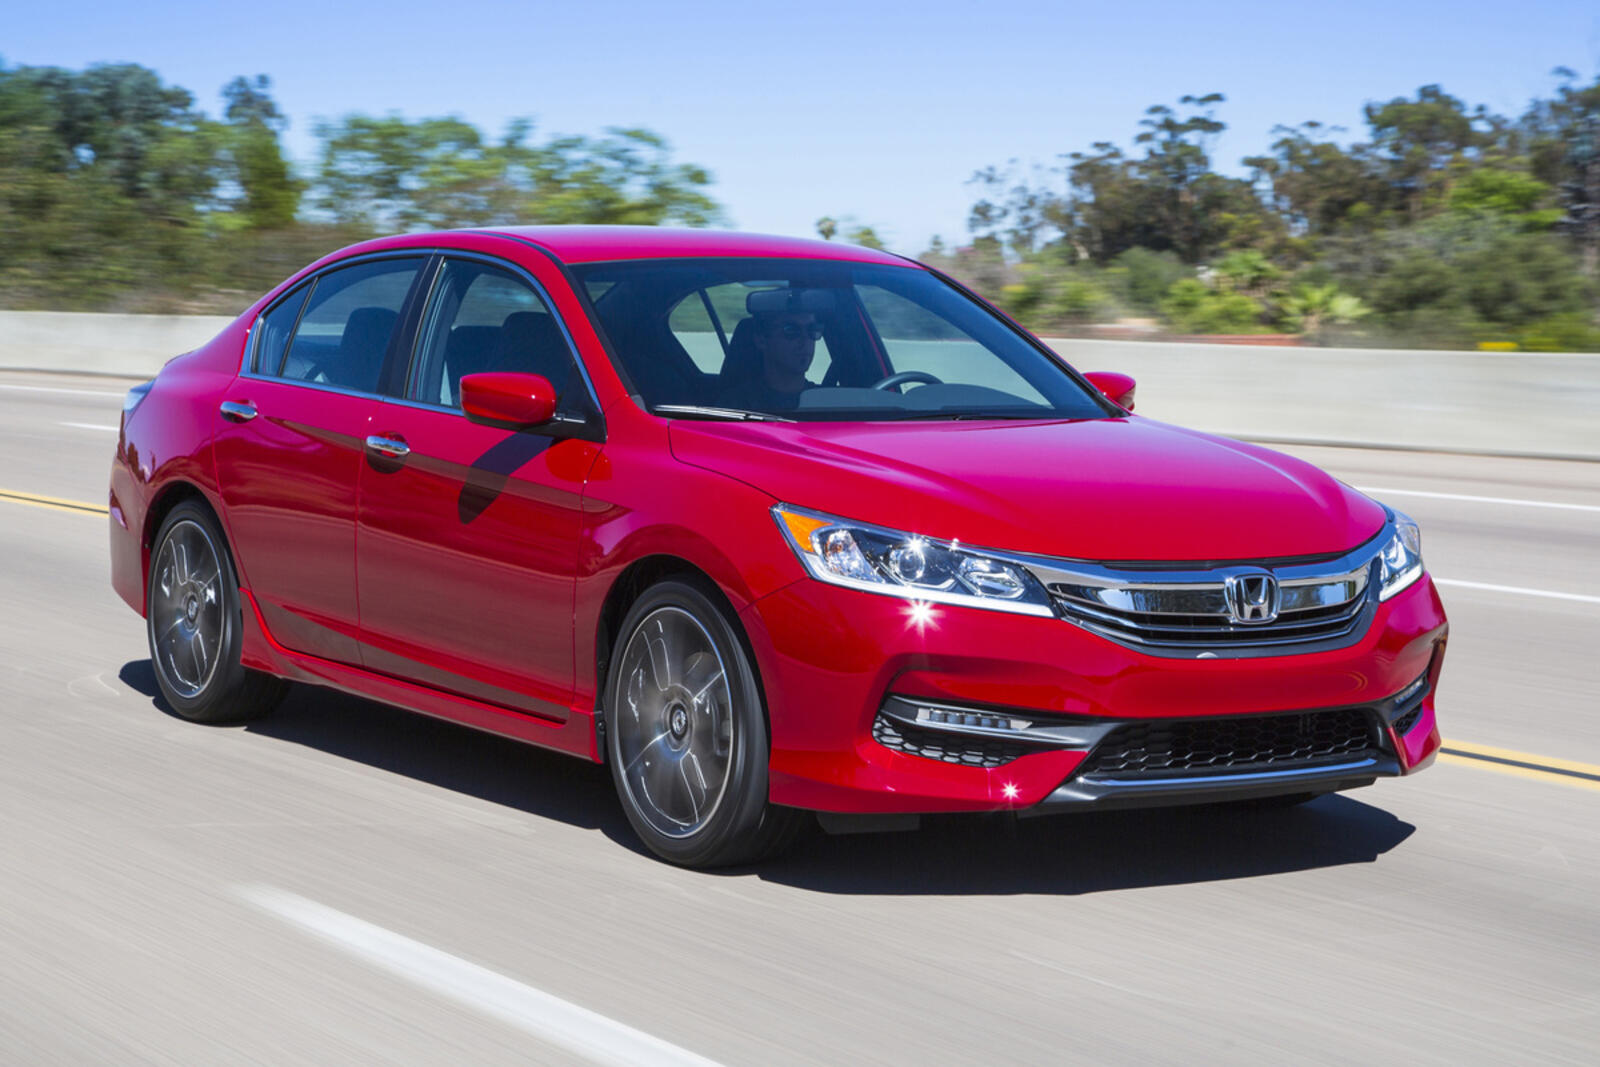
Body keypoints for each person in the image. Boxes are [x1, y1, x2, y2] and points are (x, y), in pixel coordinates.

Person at [718, 310, 823, 411]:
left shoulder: (825, 401)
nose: (805, 341)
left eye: (812, 330)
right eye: (791, 330)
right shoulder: (734, 407)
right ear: (761, 340)